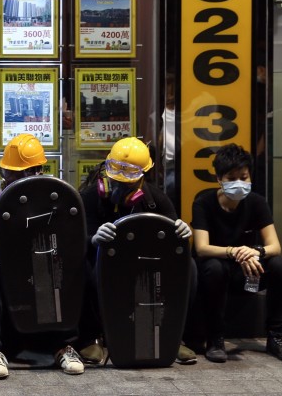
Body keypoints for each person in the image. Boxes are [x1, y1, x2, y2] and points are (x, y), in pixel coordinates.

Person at [0, 133, 84, 379]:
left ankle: (63, 345)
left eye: (23, 173)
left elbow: (70, 240)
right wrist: (2, 230)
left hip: (43, 255)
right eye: (10, 173)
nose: (15, 179)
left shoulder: (56, 198)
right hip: (7, 262)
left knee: (68, 266)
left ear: (38, 171)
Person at [78, 137, 196, 365]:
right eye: (115, 179)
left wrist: (181, 232)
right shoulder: (90, 196)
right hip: (105, 263)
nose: (120, 186)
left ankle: (174, 337)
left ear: (143, 175)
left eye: (127, 182)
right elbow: (75, 241)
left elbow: (175, 245)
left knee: (190, 268)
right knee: (81, 268)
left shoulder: (157, 200)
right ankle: (91, 338)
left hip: (146, 263)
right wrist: (92, 238)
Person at [192, 143, 282, 363]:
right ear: (219, 179)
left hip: (248, 269)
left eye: (243, 177)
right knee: (214, 267)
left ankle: (276, 335)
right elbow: (202, 247)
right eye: (231, 178)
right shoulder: (203, 203)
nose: (239, 183)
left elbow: (275, 246)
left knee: (279, 265)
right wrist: (234, 252)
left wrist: (255, 251)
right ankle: (215, 338)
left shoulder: (257, 202)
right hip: (216, 271)